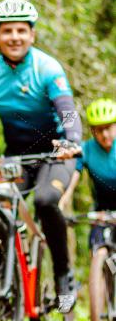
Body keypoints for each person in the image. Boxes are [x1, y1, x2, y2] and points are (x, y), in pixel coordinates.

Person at [0, 0, 82, 313]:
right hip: (17, 158)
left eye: (22, 30)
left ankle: (64, 275)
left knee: (46, 201)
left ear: (32, 35)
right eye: (7, 31)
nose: (15, 37)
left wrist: (72, 140)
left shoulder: (47, 68)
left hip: (56, 154)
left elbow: (68, 113)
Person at [62, 99, 116, 250]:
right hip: (101, 212)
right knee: (97, 248)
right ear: (92, 131)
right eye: (99, 130)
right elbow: (74, 174)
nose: (105, 135)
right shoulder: (86, 149)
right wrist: (64, 198)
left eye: (108, 128)